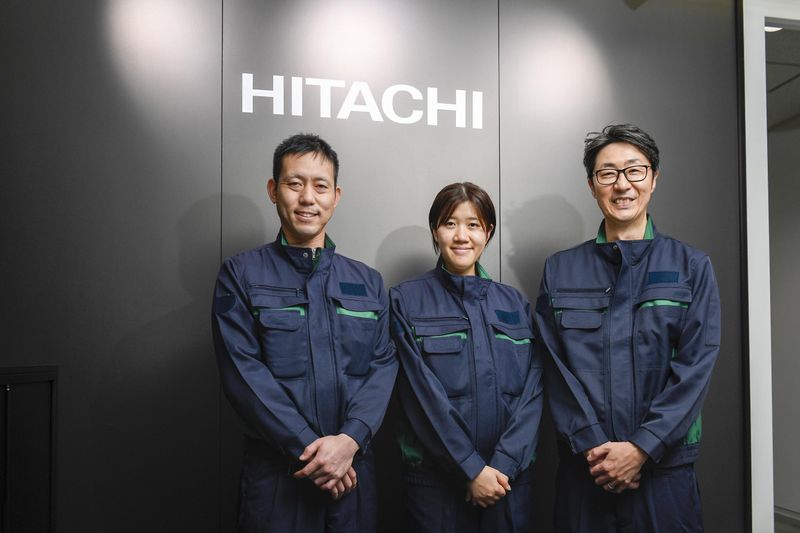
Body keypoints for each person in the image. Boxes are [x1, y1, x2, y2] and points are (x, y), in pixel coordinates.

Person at [534, 124, 721, 532]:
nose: (622, 185)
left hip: (664, 472)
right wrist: (594, 445)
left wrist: (642, 448)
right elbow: (552, 366)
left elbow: (695, 368)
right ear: (592, 185)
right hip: (587, 469)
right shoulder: (561, 269)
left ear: (654, 178)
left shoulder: (691, 267)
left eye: (635, 170)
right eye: (608, 173)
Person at [212, 133, 397, 532]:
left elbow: (383, 368)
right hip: (279, 475)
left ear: (336, 195)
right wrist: (310, 450)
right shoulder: (241, 274)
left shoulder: (368, 282)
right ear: (273, 190)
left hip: (353, 473)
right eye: (294, 183)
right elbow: (244, 375)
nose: (307, 198)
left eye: (320, 186)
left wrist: (350, 441)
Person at [390, 182, 543, 532]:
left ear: (487, 232)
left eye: (473, 225)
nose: (462, 236)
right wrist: (471, 468)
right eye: (450, 223)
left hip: (508, 482)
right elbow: (420, 396)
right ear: (435, 231)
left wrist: (503, 465)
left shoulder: (514, 304)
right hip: (434, 484)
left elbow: (533, 391)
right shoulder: (406, 301)